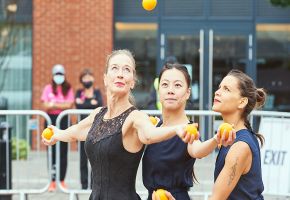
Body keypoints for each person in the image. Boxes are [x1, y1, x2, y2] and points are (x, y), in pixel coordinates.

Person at [42, 49, 196, 200]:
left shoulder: (135, 117)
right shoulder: (97, 114)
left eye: (127, 69)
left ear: (133, 82)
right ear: (105, 78)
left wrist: (177, 129)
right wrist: (57, 134)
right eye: (115, 68)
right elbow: (76, 131)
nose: (120, 74)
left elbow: (149, 135)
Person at [143, 63, 235, 200]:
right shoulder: (154, 128)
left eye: (177, 85)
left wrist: (216, 139)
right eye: (165, 85)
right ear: (158, 91)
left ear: (188, 93)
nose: (170, 90)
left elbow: (198, 150)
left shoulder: (189, 130)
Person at [210, 69, 266, 199]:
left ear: (242, 102)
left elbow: (216, 198)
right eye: (219, 88)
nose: (217, 92)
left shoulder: (240, 146)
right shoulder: (231, 137)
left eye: (226, 89)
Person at [41, 64, 74, 191]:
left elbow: (70, 104)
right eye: (56, 74)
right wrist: (61, 104)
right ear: (53, 75)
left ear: (64, 75)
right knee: (52, 152)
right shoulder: (48, 88)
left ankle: (62, 180)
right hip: (51, 121)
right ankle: (52, 181)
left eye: (61, 74)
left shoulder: (68, 88)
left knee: (63, 151)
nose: (58, 76)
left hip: (64, 120)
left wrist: (53, 104)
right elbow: (45, 106)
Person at [75, 68, 103, 189]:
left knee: (94, 157)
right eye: (85, 78)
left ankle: (93, 185)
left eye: (89, 77)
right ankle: (84, 184)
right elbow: (78, 105)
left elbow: (99, 104)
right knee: (82, 158)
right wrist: (90, 103)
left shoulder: (97, 92)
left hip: (95, 128)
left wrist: (87, 103)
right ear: (81, 80)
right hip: (82, 129)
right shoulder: (79, 92)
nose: (87, 80)